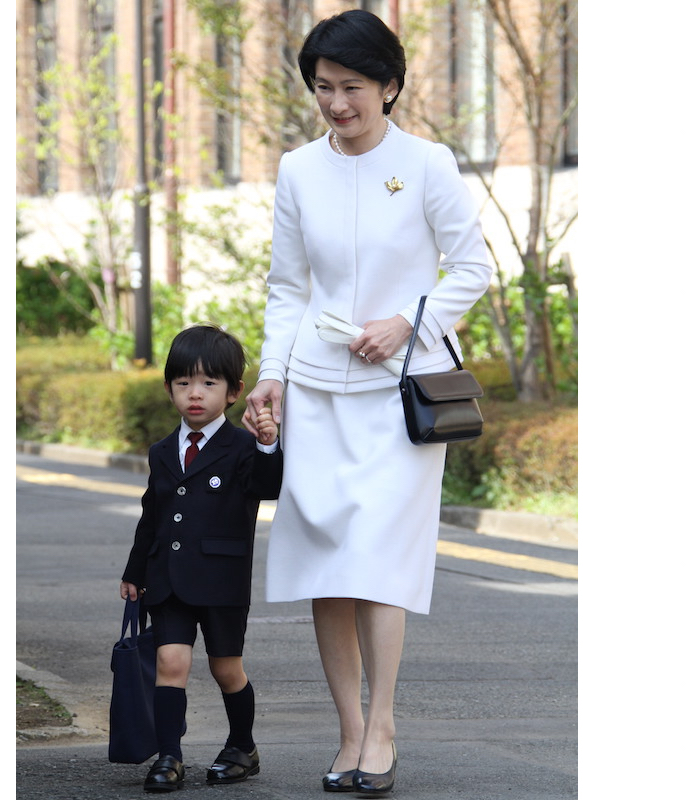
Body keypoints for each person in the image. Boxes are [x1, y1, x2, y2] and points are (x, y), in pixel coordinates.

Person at [242, 9, 492, 796]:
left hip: (398, 397)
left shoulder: (427, 164)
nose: (336, 104)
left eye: (351, 87)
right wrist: (271, 377)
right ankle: (348, 731)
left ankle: (381, 726)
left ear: (389, 85)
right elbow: (287, 289)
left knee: (380, 561)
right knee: (329, 566)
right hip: (317, 393)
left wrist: (406, 323)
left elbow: (472, 267)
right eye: (323, 88)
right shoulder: (296, 170)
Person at [120, 324, 283, 793]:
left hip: (221, 580)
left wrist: (269, 442)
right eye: (183, 383)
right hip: (166, 578)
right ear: (169, 387)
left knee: (225, 668)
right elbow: (151, 515)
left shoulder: (244, 448)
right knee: (171, 662)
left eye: (209, 384)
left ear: (233, 392)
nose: (195, 394)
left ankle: (242, 746)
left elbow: (267, 488)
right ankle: (169, 755)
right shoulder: (161, 451)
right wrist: (135, 571)